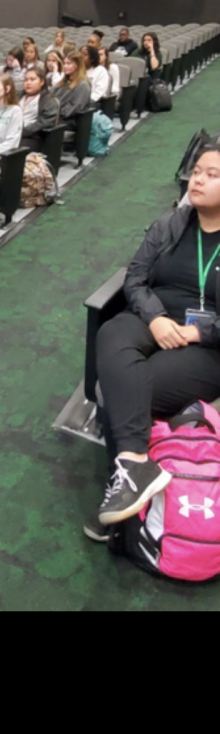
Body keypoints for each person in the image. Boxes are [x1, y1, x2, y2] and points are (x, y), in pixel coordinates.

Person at [87, 145, 220, 541]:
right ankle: (134, 467)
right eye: (197, 171)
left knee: (127, 389)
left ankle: (123, 497)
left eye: (212, 174)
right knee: (112, 332)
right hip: (155, 317)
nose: (197, 180)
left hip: (206, 345)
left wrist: (199, 332)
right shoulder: (170, 224)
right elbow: (135, 279)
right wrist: (156, 317)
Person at [19, 63, 59, 152]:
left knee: (11, 149)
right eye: (26, 80)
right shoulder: (19, 97)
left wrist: (21, 132)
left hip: (32, 137)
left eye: (32, 79)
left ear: (42, 82)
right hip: (13, 133)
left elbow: (43, 123)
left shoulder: (48, 100)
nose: (28, 83)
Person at [53, 51, 91, 130]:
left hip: (68, 121)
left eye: (69, 63)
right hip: (55, 116)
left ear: (77, 65)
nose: (65, 66)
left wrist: (52, 113)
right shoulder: (63, 82)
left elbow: (72, 110)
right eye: (64, 63)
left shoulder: (83, 85)